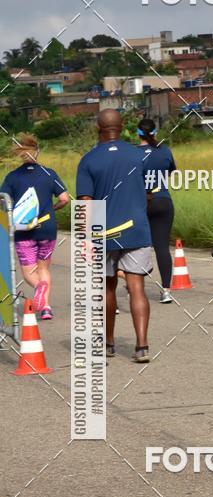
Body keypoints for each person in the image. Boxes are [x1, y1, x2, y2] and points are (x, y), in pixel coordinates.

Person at [76, 109, 152, 363]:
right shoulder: (139, 156)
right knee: (136, 287)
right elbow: (150, 192)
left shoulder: (87, 160)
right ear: (122, 127)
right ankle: (141, 346)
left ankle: (108, 343)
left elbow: (86, 203)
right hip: (137, 228)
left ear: (98, 127)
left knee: (106, 287)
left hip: (103, 231)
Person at [1, 133, 69, 319]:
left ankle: (39, 288)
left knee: (29, 272)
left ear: (22, 155)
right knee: (44, 268)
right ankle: (46, 308)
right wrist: (53, 209)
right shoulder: (49, 173)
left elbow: (3, 202)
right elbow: (64, 199)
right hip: (47, 228)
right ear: (37, 152)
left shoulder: (12, 177)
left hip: (24, 231)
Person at [137, 117, 176, 304]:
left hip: (141, 203)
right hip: (163, 200)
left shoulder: (134, 154)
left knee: (137, 247)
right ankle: (166, 291)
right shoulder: (164, 151)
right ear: (155, 133)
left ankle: (134, 288)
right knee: (162, 247)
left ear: (138, 134)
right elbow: (170, 171)